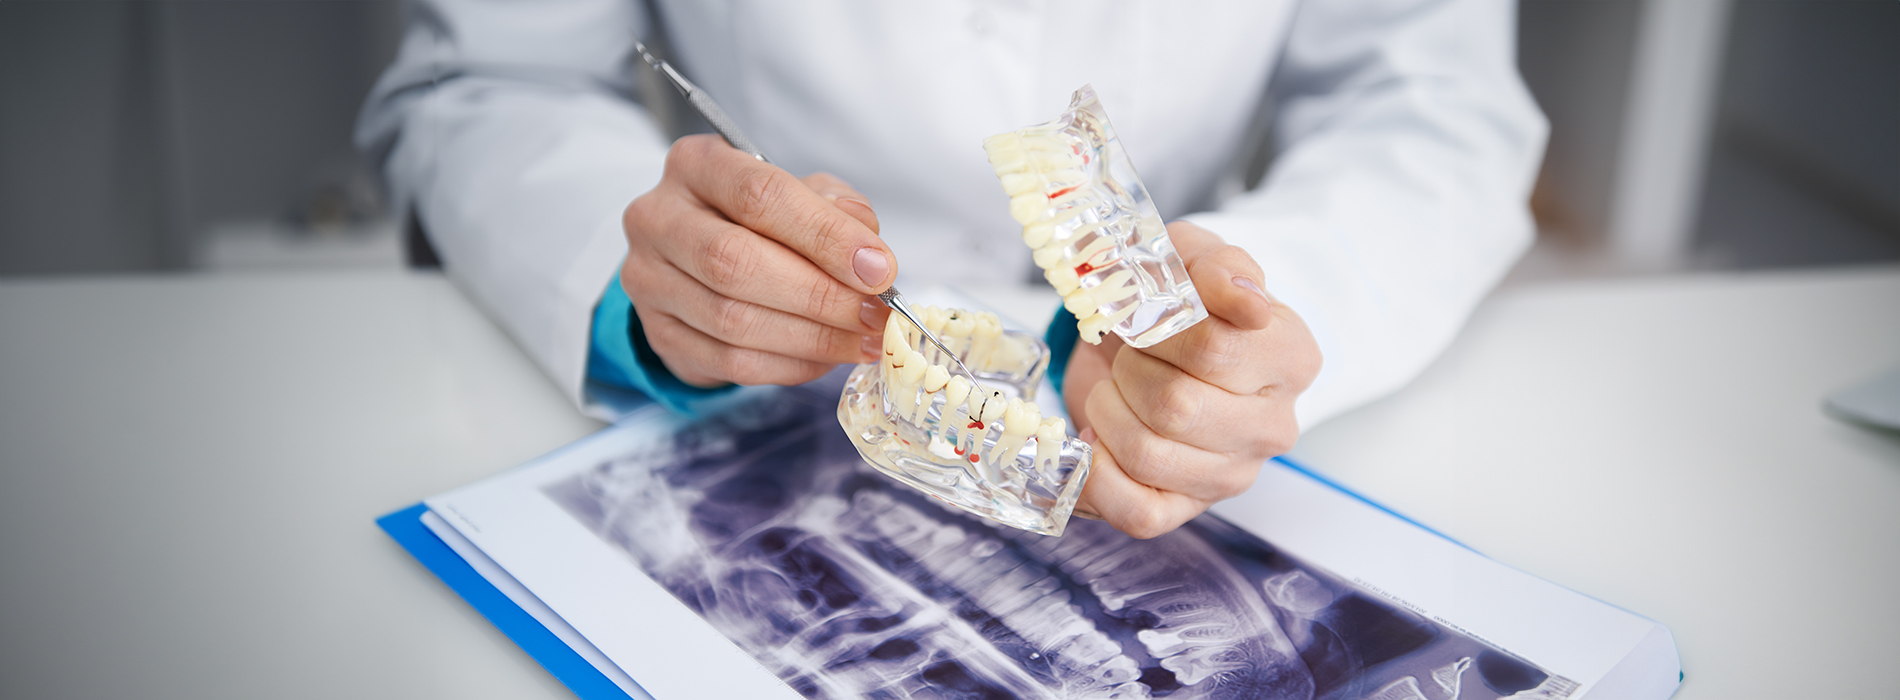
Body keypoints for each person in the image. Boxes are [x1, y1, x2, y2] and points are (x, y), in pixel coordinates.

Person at [356, 0, 1546, 538]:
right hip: (777, 381)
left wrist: (1242, 310)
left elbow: (1428, 101)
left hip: (1153, 316)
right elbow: (491, 78)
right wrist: (645, 292)